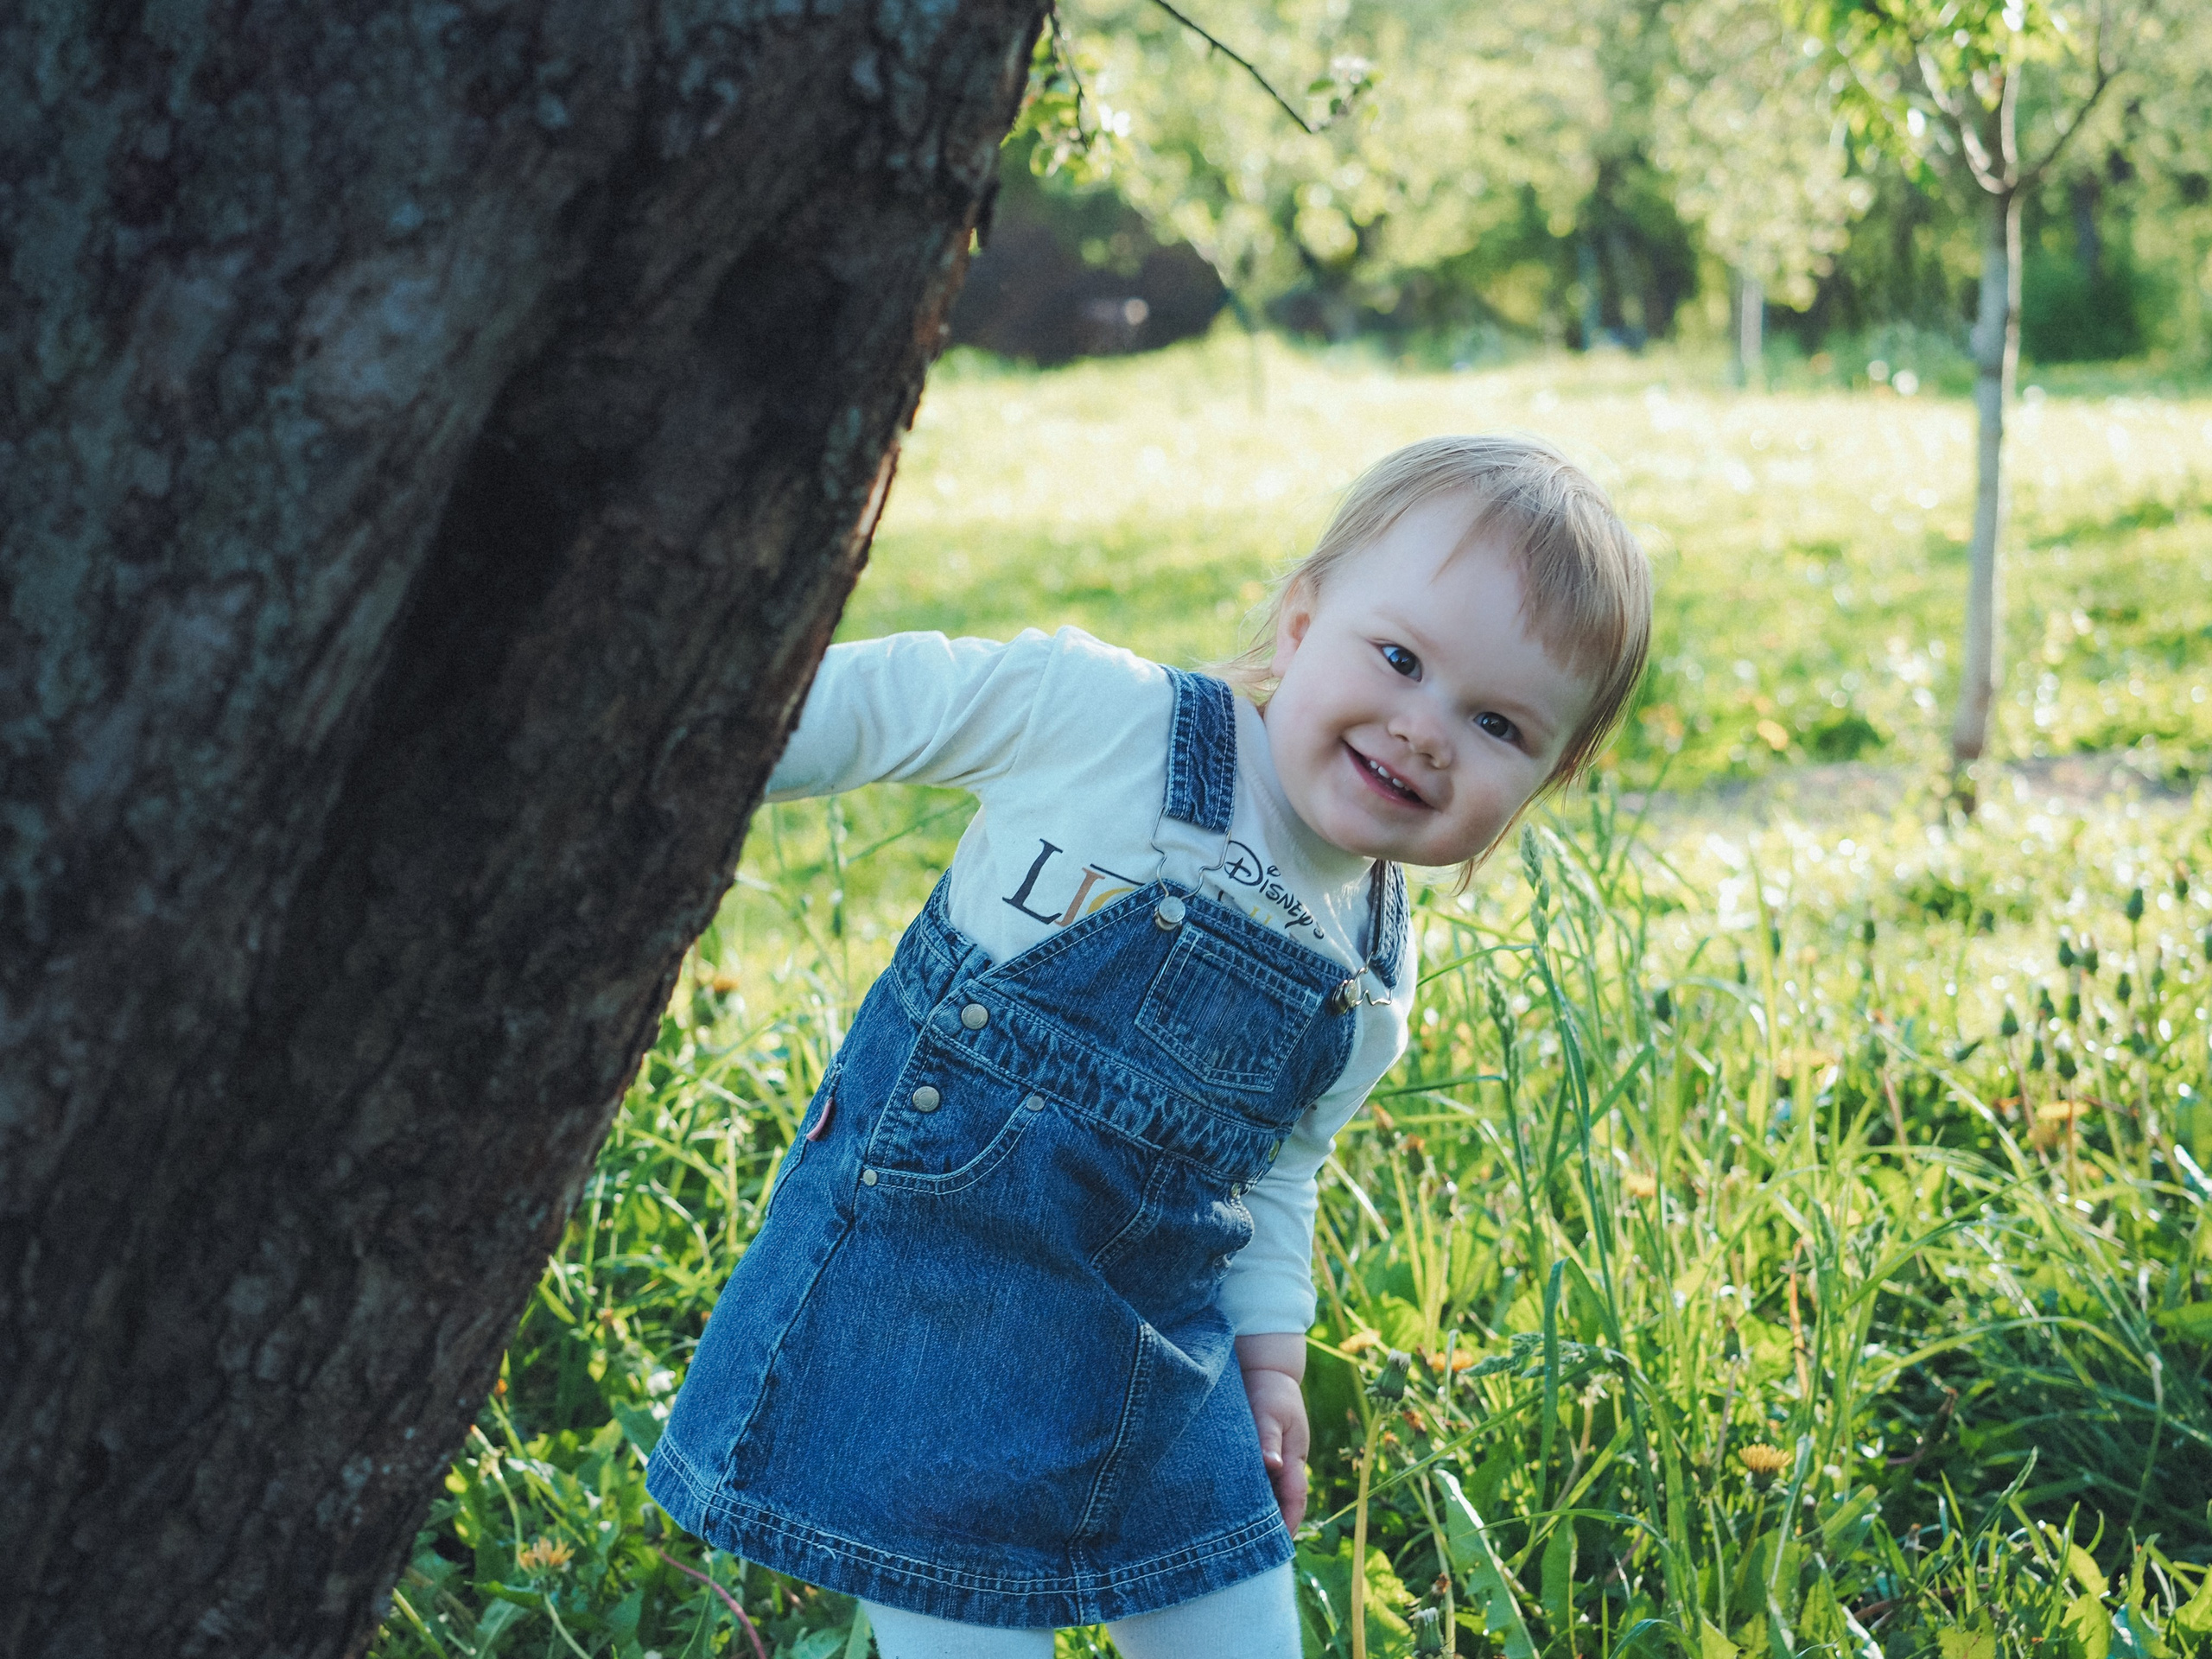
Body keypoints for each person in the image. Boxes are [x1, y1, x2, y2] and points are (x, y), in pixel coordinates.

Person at [646, 434, 1652, 1658]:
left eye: (1498, 722)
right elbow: (885, 708)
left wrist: (1273, 1364)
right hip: (930, 1298)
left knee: (1240, 1625)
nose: (1425, 728)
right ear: (1298, 624)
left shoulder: (1370, 977)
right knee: (965, 1632)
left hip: (1157, 1344)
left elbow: (1279, 1172)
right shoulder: (1106, 724)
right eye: (1399, 659)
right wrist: (668, 752)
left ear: (1542, 781)